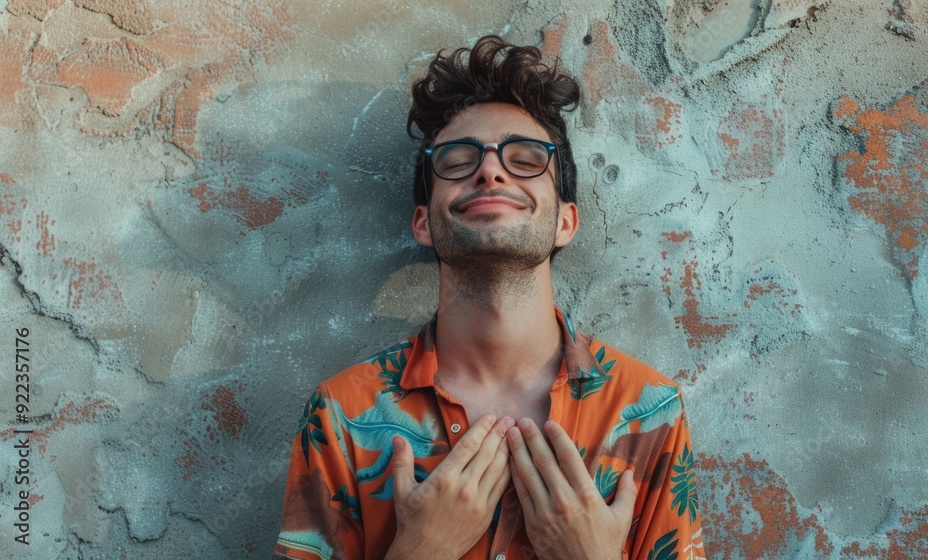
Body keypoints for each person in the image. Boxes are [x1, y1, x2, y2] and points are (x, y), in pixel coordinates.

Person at [274, 35, 704, 560]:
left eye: (525, 159)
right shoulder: (341, 416)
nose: (490, 170)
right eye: (457, 160)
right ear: (423, 222)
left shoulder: (650, 412)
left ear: (565, 221)